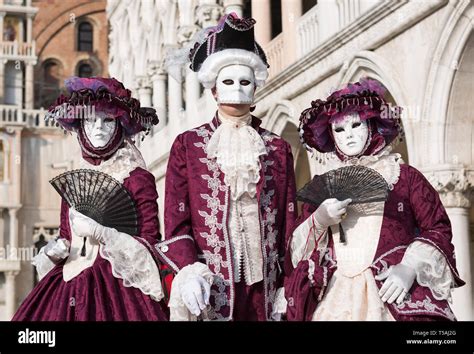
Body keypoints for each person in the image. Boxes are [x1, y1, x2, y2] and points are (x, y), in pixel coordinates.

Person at [285, 78, 465, 321]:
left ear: (372, 125)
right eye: (339, 129)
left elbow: (437, 228)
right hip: (335, 297)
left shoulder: (405, 177)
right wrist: (318, 220)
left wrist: (410, 267)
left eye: (355, 125)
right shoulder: (324, 185)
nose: (347, 135)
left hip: (391, 290)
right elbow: (296, 251)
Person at [158, 13, 296, 321]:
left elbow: (289, 220)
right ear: (214, 90)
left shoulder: (277, 148)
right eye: (228, 82)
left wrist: (289, 283)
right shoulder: (188, 145)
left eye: (245, 82)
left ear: (255, 88)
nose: (236, 89)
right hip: (211, 285)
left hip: (267, 288)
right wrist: (189, 270)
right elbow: (175, 220)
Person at [13, 77, 168, 321]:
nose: (98, 128)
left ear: (120, 126)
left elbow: (150, 243)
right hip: (66, 281)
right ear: (80, 127)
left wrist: (104, 234)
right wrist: (57, 249)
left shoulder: (136, 178)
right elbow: (66, 235)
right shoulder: (74, 181)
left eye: (108, 120)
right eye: (90, 120)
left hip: (117, 286)